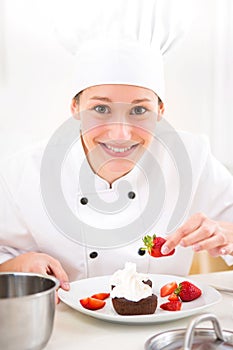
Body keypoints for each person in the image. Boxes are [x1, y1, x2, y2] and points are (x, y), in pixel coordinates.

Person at [0, 0, 233, 295]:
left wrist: (227, 235)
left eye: (139, 111)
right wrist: (17, 264)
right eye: (101, 109)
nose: (121, 133)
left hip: (161, 329)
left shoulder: (193, 159)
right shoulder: (22, 173)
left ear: (160, 111)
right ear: (75, 108)